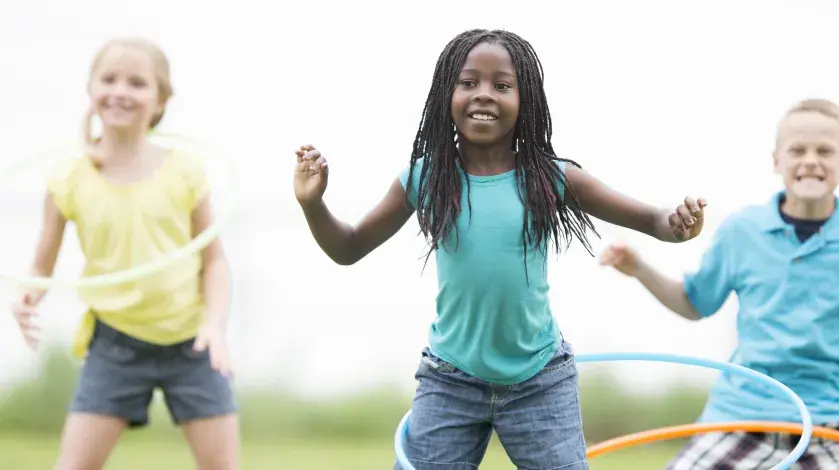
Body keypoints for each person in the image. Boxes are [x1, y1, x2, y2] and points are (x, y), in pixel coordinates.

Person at [294, 29, 706, 470]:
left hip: (539, 379)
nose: (484, 95)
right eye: (468, 82)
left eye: (502, 85)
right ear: (444, 95)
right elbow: (348, 247)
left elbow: (650, 220)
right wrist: (313, 203)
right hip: (450, 379)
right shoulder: (423, 179)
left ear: (525, 100)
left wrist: (676, 224)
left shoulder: (551, 178)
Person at [10, 38, 239, 470]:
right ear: (91, 89)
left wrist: (215, 323)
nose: (121, 91)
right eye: (109, 79)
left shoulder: (185, 171)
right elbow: (42, 266)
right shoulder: (67, 178)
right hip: (115, 344)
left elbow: (214, 261)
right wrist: (27, 296)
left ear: (160, 99)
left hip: (194, 342)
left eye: (137, 83)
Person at [599, 98, 839, 469]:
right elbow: (694, 303)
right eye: (798, 150)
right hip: (741, 418)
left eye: (825, 150)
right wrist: (640, 268)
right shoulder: (742, 232)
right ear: (777, 160)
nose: (811, 159)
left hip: (828, 425)